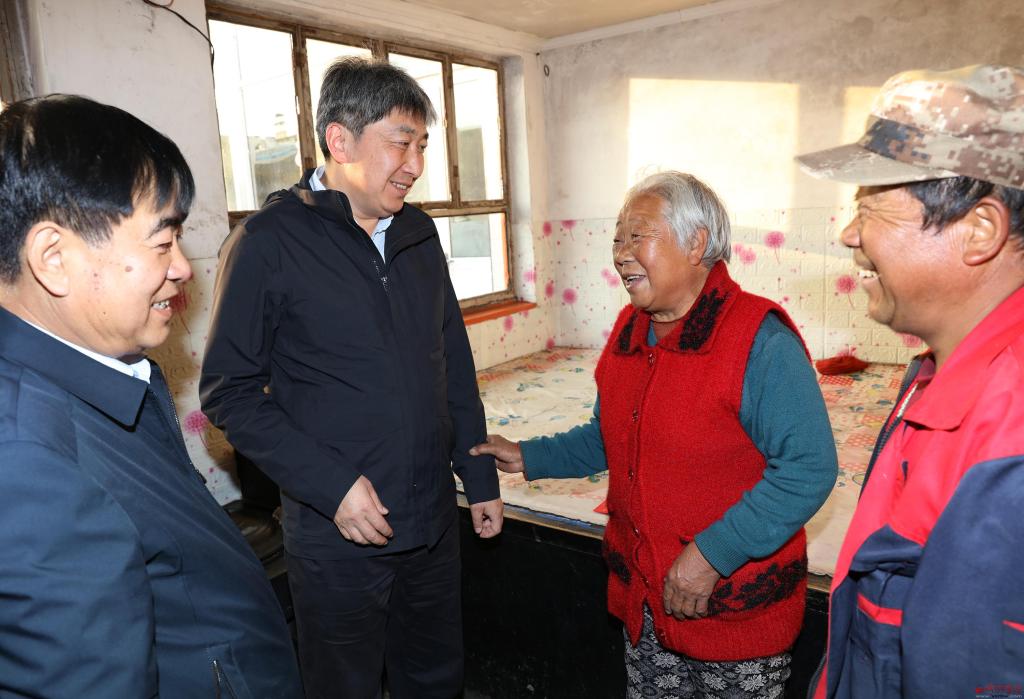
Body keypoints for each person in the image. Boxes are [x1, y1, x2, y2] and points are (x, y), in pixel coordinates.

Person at [200, 57, 503, 699]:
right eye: (401, 143)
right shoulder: (268, 242)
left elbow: (453, 364)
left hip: (431, 523)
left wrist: (478, 477)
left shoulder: (419, 234)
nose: (415, 165)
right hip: (339, 534)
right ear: (340, 141)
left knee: (436, 679)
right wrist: (332, 486)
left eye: (423, 146)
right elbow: (229, 392)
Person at [472, 171, 838, 698]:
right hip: (645, 603)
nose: (620, 254)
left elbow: (809, 468)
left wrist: (712, 554)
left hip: (734, 618)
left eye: (637, 236)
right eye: (616, 239)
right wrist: (527, 455)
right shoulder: (630, 330)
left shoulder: (758, 339)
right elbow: (608, 436)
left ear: (696, 243)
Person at [0, 95, 302, 697]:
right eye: (162, 243)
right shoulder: (26, 462)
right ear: (53, 259)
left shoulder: (106, 367)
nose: (184, 268)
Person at [796, 64, 1024, 698]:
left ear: (979, 231)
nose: (848, 233)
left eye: (870, 206)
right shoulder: (937, 372)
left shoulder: (1011, 439)